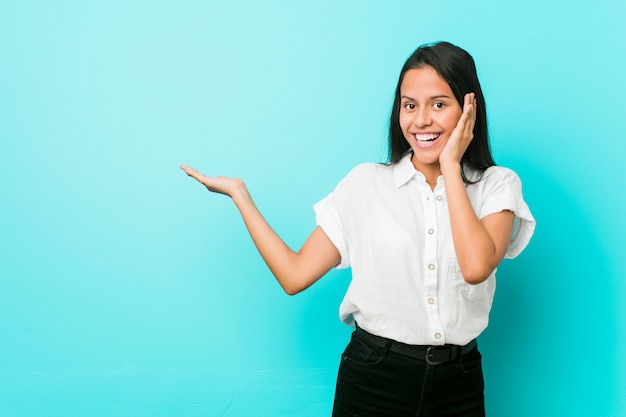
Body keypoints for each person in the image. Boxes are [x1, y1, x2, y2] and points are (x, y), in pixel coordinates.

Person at [181, 41, 535, 417]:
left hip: (459, 382)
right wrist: (241, 197)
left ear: (468, 109)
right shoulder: (364, 184)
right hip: (374, 377)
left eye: (439, 104)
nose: (421, 121)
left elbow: (476, 266)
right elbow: (294, 275)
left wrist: (451, 166)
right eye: (409, 105)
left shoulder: (497, 185)